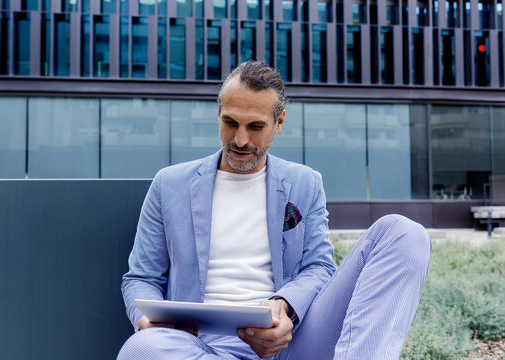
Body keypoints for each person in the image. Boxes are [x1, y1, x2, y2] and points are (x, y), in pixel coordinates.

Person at [118, 61, 431, 360]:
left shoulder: (305, 183)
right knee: (139, 350)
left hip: (294, 340)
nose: (240, 140)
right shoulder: (169, 184)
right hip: (197, 346)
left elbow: (320, 268)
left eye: (255, 126)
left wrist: (284, 306)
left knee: (404, 233)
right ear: (218, 115)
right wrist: (147, 322)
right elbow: (141, 278)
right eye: (230, 123)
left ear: (279, 122)